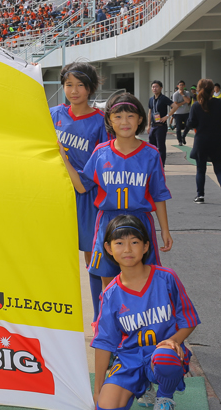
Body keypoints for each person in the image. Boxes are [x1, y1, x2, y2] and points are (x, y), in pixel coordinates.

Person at [92, 214, 200, 410]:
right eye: (119, 243)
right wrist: (97, 389)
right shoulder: (111, 294)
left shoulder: (166, 278)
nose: (127, 249)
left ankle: (165, 398)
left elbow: (189, 319)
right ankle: (142, 386)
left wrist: (174, 340)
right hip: (130, 358)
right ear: (108, 248)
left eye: (134, 242)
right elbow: (104, 342)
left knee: (165, 355)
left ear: (146, 246)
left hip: (162, 354)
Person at [61, 92, 174, 290]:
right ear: (109, 120)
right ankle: (108, 311)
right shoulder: (101, 152)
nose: (125, 122)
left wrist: (165, 229)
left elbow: (159, 195)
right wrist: (63, 157)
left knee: (142, 280)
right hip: (107, 222)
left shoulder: (151, 154)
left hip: (140, 221)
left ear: (140, 119)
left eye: (130, 116)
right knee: (108, 281)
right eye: (118, 116)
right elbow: (81, 185)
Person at [51, 61, 108, 319]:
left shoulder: (100, 122)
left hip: (88, 197)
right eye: (68, 85)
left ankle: (99, 318)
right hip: (55, 195)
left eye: (80, 85)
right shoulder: (53, 115)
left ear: (91, 88)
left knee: (94, 260)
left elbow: (103, 163)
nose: (74, 91)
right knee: (54, 258)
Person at [187, 79, 221, 205]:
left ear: (199, 90)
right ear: (213, 90)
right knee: (219, 168)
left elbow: (190, 123)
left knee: (201, 169)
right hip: (217, 139)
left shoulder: (196, 105)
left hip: (201, 140)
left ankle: (200, 196)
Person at [147, 80, 172, 165]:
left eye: (156, 87)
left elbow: (175, 106)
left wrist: (167, 116)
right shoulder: (151, 99)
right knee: (151, 146)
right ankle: (152, 164)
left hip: (161, 126)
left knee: (160, 147)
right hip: (153, 126)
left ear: (161, 88)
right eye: (153, 87)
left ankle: (161, 165)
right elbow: (150, 112)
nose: (154, 88)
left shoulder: (163, 98)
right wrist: (148, 126)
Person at [169, 81, 191, 145]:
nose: (181, 86)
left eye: (182, 85)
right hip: (178, 113)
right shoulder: (175, 94)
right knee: (178, 128)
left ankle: (183, 136)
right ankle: (180, 141)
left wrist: (182, 94)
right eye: (180, 85)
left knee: (188, 125)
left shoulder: (187, 93)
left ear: (184, 86)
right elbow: (175, 105)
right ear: (178, 86)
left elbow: (188, 101)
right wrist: (184, 102)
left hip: (186, 112)